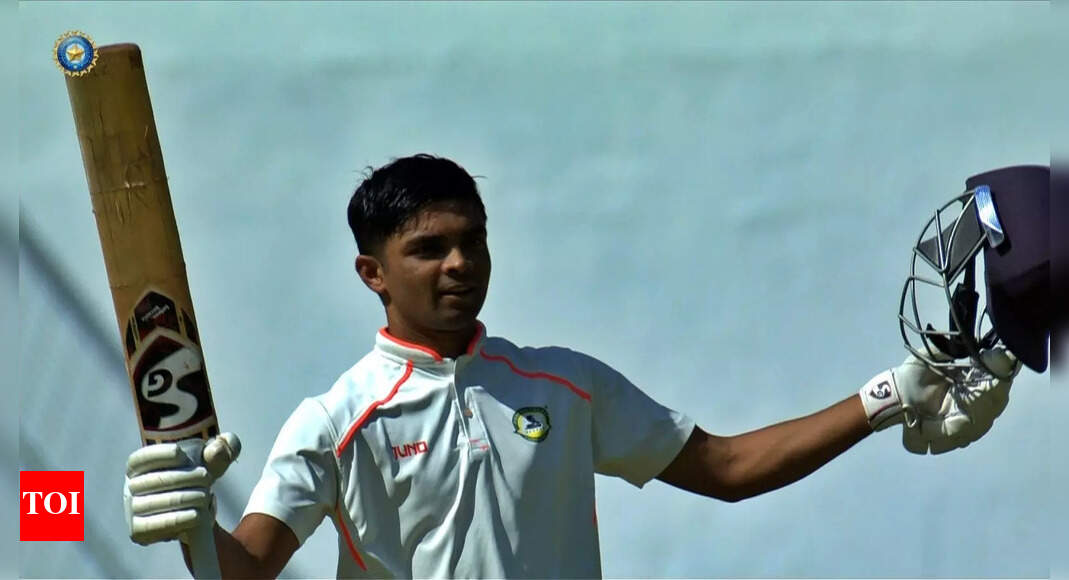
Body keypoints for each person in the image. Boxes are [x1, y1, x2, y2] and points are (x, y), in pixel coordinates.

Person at [123, 154, 1020, 578]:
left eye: (471, 241)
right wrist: (197, 533)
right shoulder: (336, 419)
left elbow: (728, 469)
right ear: (373, 273)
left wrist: (889, 395)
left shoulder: (563, 384)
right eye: (428, 248)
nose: (459, 264)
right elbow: (250, 570)